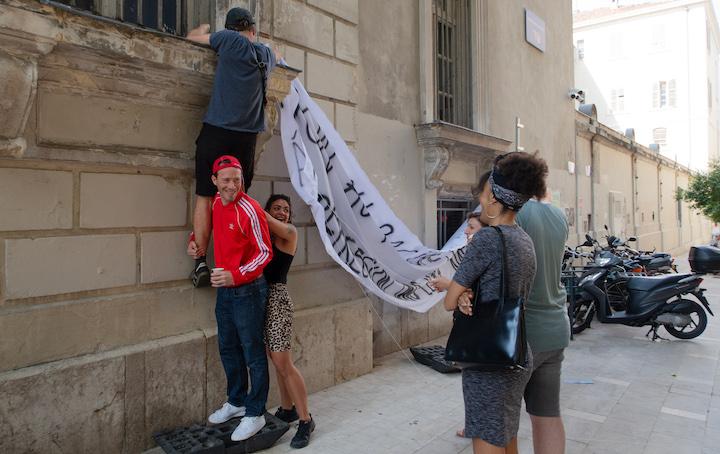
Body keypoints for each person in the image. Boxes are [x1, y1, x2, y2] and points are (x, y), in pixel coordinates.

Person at [430, 152, 548, 454]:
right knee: (507, 439)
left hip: (489, 361)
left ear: (494, 196)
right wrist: (469, 293)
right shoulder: (523, 239)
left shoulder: (487, 239)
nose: (480, 201)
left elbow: (448, 301)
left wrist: (461, 293)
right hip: (516, 353)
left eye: (483, 194)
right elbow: (503, 290)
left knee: (487, 440)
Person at [186, 7, 278, 288]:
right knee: (234, 199)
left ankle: (201, 262)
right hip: (247, 139)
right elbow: (278, 54)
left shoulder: (228, 40)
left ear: (231, 28)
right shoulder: (266, 55)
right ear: (252, 29)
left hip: (218, 129)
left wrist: (202, 30)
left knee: (206, 194)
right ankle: (235, 263)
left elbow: (194, 37)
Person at [187, 155, 273, 441]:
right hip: (225, 290)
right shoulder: (214, 203)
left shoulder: (250, 209)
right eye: (226, 180)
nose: (232, 185)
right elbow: (206, 230)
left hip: (248, 289)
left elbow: (264, 252)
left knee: (253, 352)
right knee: (228, 347)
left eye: (236, 179)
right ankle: (236, 402)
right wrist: (194, 242)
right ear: (214, 181)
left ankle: (255, 413)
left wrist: (236, 275)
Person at [515, 193, 570, 454]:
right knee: (546, 414)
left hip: (521, 334)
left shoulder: (515, 214)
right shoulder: (558, 215)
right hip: (555, 326)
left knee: (500, 421)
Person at [262, 194, 316, 449]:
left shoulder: (289, 233)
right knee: (276, 361)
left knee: (285, 363)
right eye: (277, 208)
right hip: (260, 301)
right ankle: (287, 409)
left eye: (285, 209)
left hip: (277, 301)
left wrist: (244, 203)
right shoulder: (264, 237)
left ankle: (306, 419)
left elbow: (262, 218)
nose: (282, 212)